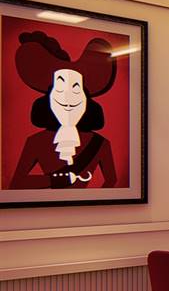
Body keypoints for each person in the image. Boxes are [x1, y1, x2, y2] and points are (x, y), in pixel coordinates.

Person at [10, 31, 118, 189]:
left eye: (76, 89)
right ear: (48, 98)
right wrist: (56, 180)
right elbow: (17, 183)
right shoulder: (35, 142)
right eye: (60, 89)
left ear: (86, 99)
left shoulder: (101, 144)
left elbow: (112, 180)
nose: (68, 98)